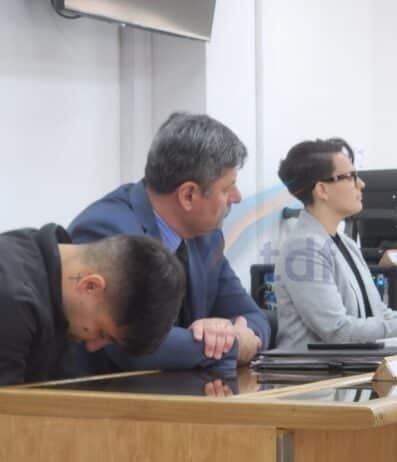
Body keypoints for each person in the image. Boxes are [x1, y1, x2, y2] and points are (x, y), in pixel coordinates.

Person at [69, 112, 270, 371]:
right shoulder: (108, 230)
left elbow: (253, 317)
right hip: (98, 392)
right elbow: (131, 343)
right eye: (227, 188)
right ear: (188, 195)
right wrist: (230, 344)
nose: (237, 197)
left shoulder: (206, 237)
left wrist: (234, 334)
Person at [275, 138, 397, 350]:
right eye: (351, 177)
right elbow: (337, 331)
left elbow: (378, 314)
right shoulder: (303, 250)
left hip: (351, 364)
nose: (361, 184)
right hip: (316, 369)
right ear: (322, 190)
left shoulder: (346, 244)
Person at [0, 223, 184, 385]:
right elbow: (10, 411)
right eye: (102, 333)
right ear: (90, 286)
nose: (92, 346)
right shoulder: (12, 305)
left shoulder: (48, 264)